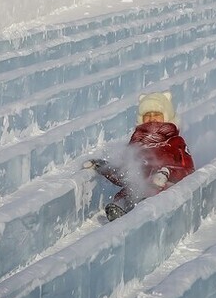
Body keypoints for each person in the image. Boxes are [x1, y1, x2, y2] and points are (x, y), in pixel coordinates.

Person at [84, 91, 195, 221]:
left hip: (163, 188)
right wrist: (105, 167)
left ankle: (142, 209)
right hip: (137, 190)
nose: (152, 118)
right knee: (127, 193)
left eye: (157, 115)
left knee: (156, 192)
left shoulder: (175, 142)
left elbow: (188, 169)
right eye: (147, 115)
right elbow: (125, 174)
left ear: (167, 117)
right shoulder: (136, 144)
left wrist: (167, 173)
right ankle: (121, 211)